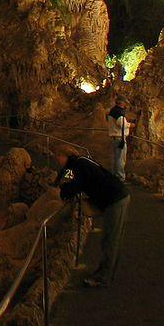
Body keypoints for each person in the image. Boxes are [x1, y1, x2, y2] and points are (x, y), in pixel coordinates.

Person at [51, 151, 130, 288]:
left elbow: (70, 187)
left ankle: (103, 277)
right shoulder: (79, 162)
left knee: (110, 239)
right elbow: (64, 179)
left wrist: (63, 191)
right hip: (116, 197)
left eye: (57, 156)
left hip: (115, 199)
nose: (56, 159)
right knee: (111, 238)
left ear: (65, 156)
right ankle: (107, 273)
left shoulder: (76, 166)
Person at [105, 100, 129, 181]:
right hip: (119, 139)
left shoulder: (113, 110)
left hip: (114, 138)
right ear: (121, 103)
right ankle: (120, 179)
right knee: (120, 159)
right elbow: (122, 124)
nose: (126, 104)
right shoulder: (118, 112)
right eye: (125, 103)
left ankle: (113, 177)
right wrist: (130, 125)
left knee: (115, 158)